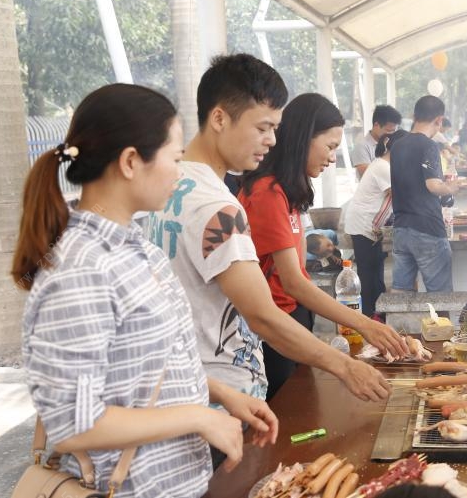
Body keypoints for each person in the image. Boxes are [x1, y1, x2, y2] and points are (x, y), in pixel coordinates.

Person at [13, 84, 278, 496]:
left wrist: (221, 394)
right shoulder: (82, 269)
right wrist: (199, 417)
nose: (180, 170)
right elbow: (74, 423)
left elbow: (143, 364)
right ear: (131, 161)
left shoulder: (138, 250)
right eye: (174, 158)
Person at [148, 55, 396, 409]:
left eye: (275, 129)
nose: (271, 140)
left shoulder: (172, 187)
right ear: (219, 117)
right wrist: (345, 365)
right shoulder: (217, 208)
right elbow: (263, 314)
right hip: (221, 400)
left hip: (195, 389)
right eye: (262, 128)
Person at [238, 93, 407, 397]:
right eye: (329, 147)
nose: (332, 158)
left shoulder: (286, 192)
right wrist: (363, 324)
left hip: (293, 316)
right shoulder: (267, 192)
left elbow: (297, 273)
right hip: (274, 327)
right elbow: (293, 282)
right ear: (303, 138)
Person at [390, 95, 459, 293]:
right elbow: (433, 185)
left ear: (414, 115)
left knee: (401, 295)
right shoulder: (428, 145)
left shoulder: (397, 146)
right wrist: (452, 188)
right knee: (440, 297)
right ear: (439, 120)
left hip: (401, 228)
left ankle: (400, 325)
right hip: (427, 228)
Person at [344, 129, 409, 315]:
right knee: (369, 275)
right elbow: (402, 195)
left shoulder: (385, 165)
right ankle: (370, 316)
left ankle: (377, 314)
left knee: (376, 274)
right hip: (363, 225)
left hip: (370, 226)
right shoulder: (383, 167)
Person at [352, 104, 402, 177]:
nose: (391, 134)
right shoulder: (362, 146)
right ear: (376, 125)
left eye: (393, 131)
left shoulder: (391, 143)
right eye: (388, 130)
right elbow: (367, 175)